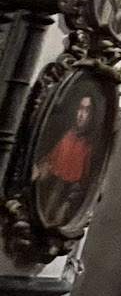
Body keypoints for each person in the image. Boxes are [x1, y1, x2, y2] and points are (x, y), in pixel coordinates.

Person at [33, 86, 102, 229]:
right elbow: (49, 163)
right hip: (47, 193)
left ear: (92, 115)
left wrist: (65, 205)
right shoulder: (67, 136)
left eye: (86, 111)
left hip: (66, 197)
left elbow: (86, 183)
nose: (81, 115)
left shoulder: (89, 146)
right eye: (80, 109)